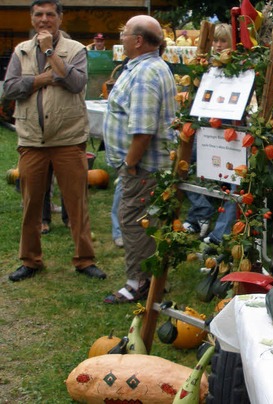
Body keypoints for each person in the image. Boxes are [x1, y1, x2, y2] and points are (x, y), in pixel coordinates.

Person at [3, 0, 106, 282]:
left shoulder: (75, 50)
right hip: (32, 140)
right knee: (31, 205)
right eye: (39, 14)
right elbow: (10, 88)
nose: (44, 19)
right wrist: (42, 79)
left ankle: (85, 260)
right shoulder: (20, 51)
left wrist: (50, 52)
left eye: (50, 14)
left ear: (60, 19)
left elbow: (75, 83)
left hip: (68, 139)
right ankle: (30, 260)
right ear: (32, 19)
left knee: (77, 204)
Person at [102, 14, 177, 303]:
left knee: (133, 223)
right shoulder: (148, 67)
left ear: (137, 40)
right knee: (147, 225)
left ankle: (138, 283)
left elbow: (143, 131)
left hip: (143, 167)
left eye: (124, 33)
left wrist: (130, 164)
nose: (120, 38)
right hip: (146, 166)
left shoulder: (146, 73)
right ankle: (152, 279)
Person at [182, 22, 235, 241]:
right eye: (215, 40)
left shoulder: (239, 66)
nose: (218, 45)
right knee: (182, 164)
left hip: (231, 130)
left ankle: (221, 233)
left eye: (223, 41)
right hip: (205, 128)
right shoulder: (205, 67)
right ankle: (202, 211)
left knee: (236, 181)